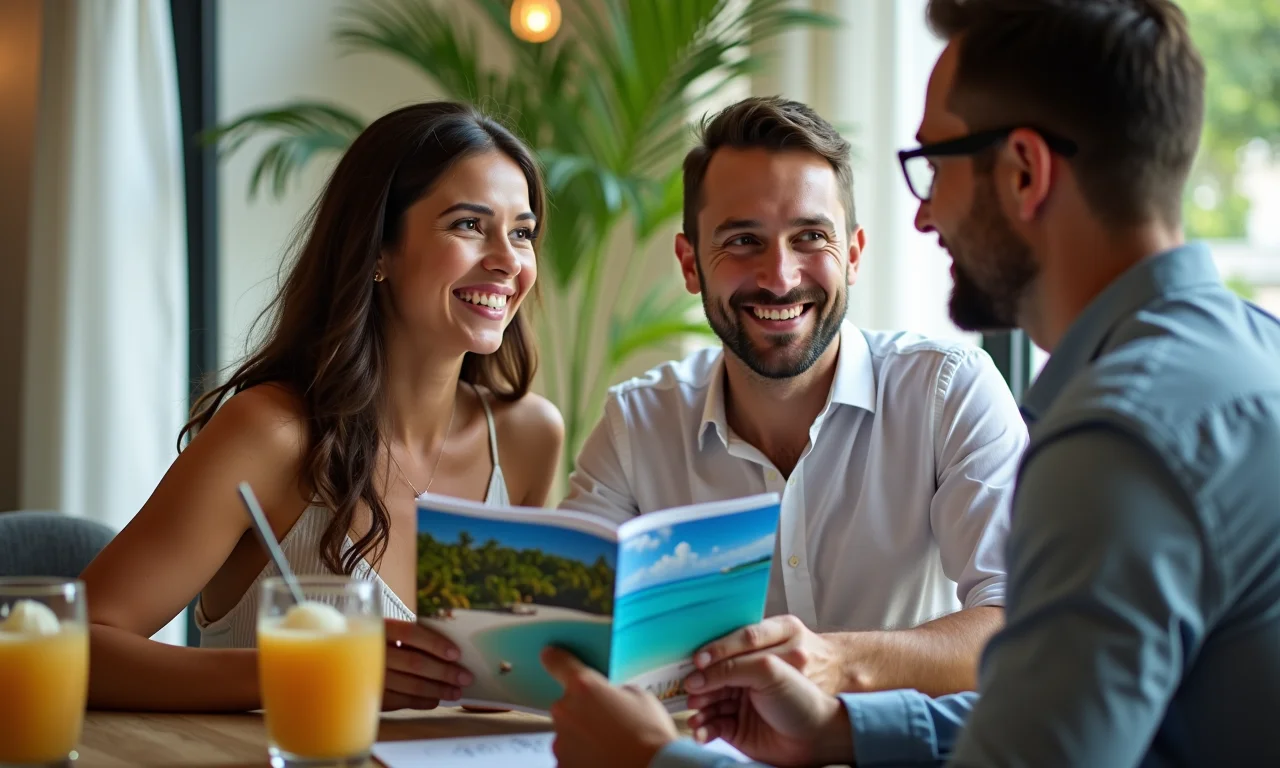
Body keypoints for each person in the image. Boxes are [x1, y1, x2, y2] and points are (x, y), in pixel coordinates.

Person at [541, 0, 1280, 766]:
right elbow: (1058, 718)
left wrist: (660, 763)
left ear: (1023, 172)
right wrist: (838, 730)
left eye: (935, 163)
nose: (926, 216)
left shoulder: (1119, 436)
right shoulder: (1249, 360)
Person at [79, 101, 563, 711]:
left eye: (522, 232)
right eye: (469, 225)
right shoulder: (272, 434)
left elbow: (496, 692)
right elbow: (77, 649)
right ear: (378, 250)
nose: (508, 260)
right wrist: (320, 670)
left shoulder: (526, 439)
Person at [559, 95, 1027, 698]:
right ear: (690, 264)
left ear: (853, 254)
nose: (780, 277)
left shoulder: (949, 391)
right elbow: (568, 636)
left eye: (810, 236)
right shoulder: (637, 423)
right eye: (743, 241)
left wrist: (835, 662)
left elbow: (1019, 624)